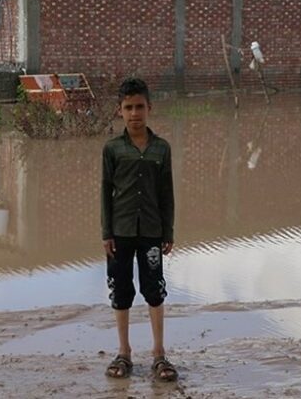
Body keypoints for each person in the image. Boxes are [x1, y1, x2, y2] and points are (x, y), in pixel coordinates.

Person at [101, 77, 178, 382]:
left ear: (149, 108)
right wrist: (106, 233)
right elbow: (105, 192)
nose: (135, 113)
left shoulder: (161, 148)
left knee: (154, 291)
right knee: (120, 291)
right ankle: (124, 353)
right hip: (119, 232)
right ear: (120, 111)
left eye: (140, 107)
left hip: (151, 233)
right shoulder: (112, 150)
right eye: (128, 107)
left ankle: (159, 355)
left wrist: (168, 232)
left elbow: (167, 194)